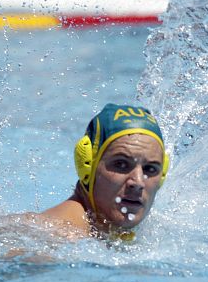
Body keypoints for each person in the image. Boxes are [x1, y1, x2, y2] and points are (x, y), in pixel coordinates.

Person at [38, 103, 169, 241]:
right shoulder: (58, 236)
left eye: (150, 169)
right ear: (87, 166)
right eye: (121, 164)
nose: (138, 182)